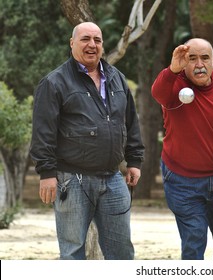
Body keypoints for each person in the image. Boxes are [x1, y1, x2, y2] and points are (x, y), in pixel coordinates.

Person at [30, 22, 145, 260]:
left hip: (113, 178)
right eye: (85, 39)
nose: (92, 45)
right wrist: (46, 173)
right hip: (71, 180)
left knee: (122, 251)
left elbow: (131, 122)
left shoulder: (117, 78)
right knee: (72, 253)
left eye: (97, 40)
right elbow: (43, 132)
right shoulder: (54, 82)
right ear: (72, 43)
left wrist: (134, 161)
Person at [151, 38, 213, 260]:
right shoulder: (174, 85)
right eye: (191, 58)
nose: (199, 64)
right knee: (194, 241)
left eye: (205, 58)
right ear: (183, 63)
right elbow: (158, 93)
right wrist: (172, 69)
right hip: (182, 180)